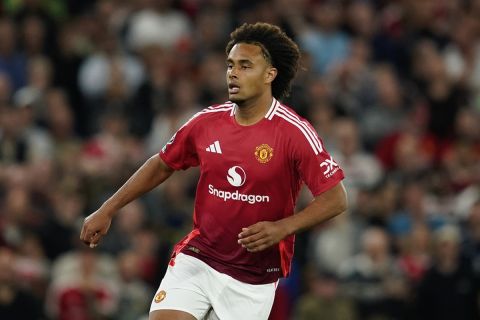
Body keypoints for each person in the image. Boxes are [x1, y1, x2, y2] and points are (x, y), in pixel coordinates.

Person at [80, 22, 347, 320]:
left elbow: (336, 198)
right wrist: (108, 209)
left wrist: (282, 227)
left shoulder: (294, 132)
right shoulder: (206, 122)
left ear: (270, 74)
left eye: (245, 66)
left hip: (253, 276)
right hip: (199, 257)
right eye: (230, 65)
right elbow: (161, 163)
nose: (233, 73)